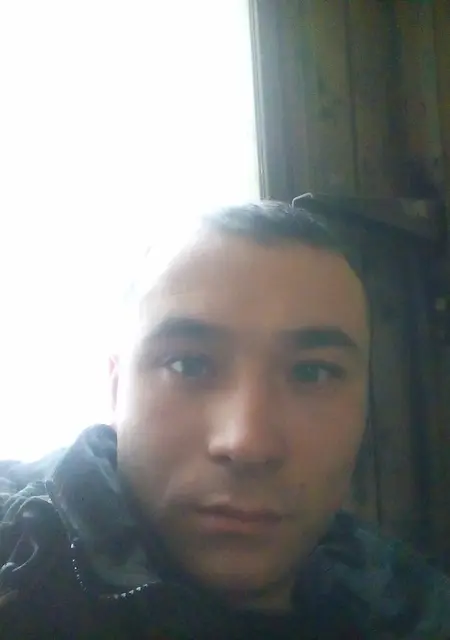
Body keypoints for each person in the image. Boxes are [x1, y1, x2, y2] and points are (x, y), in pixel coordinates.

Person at [1, 200, 449, 639]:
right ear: (117, 389)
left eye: (312, 373)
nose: (249, 443)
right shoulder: (17, 564)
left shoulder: (415, 609)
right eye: (189, 365)